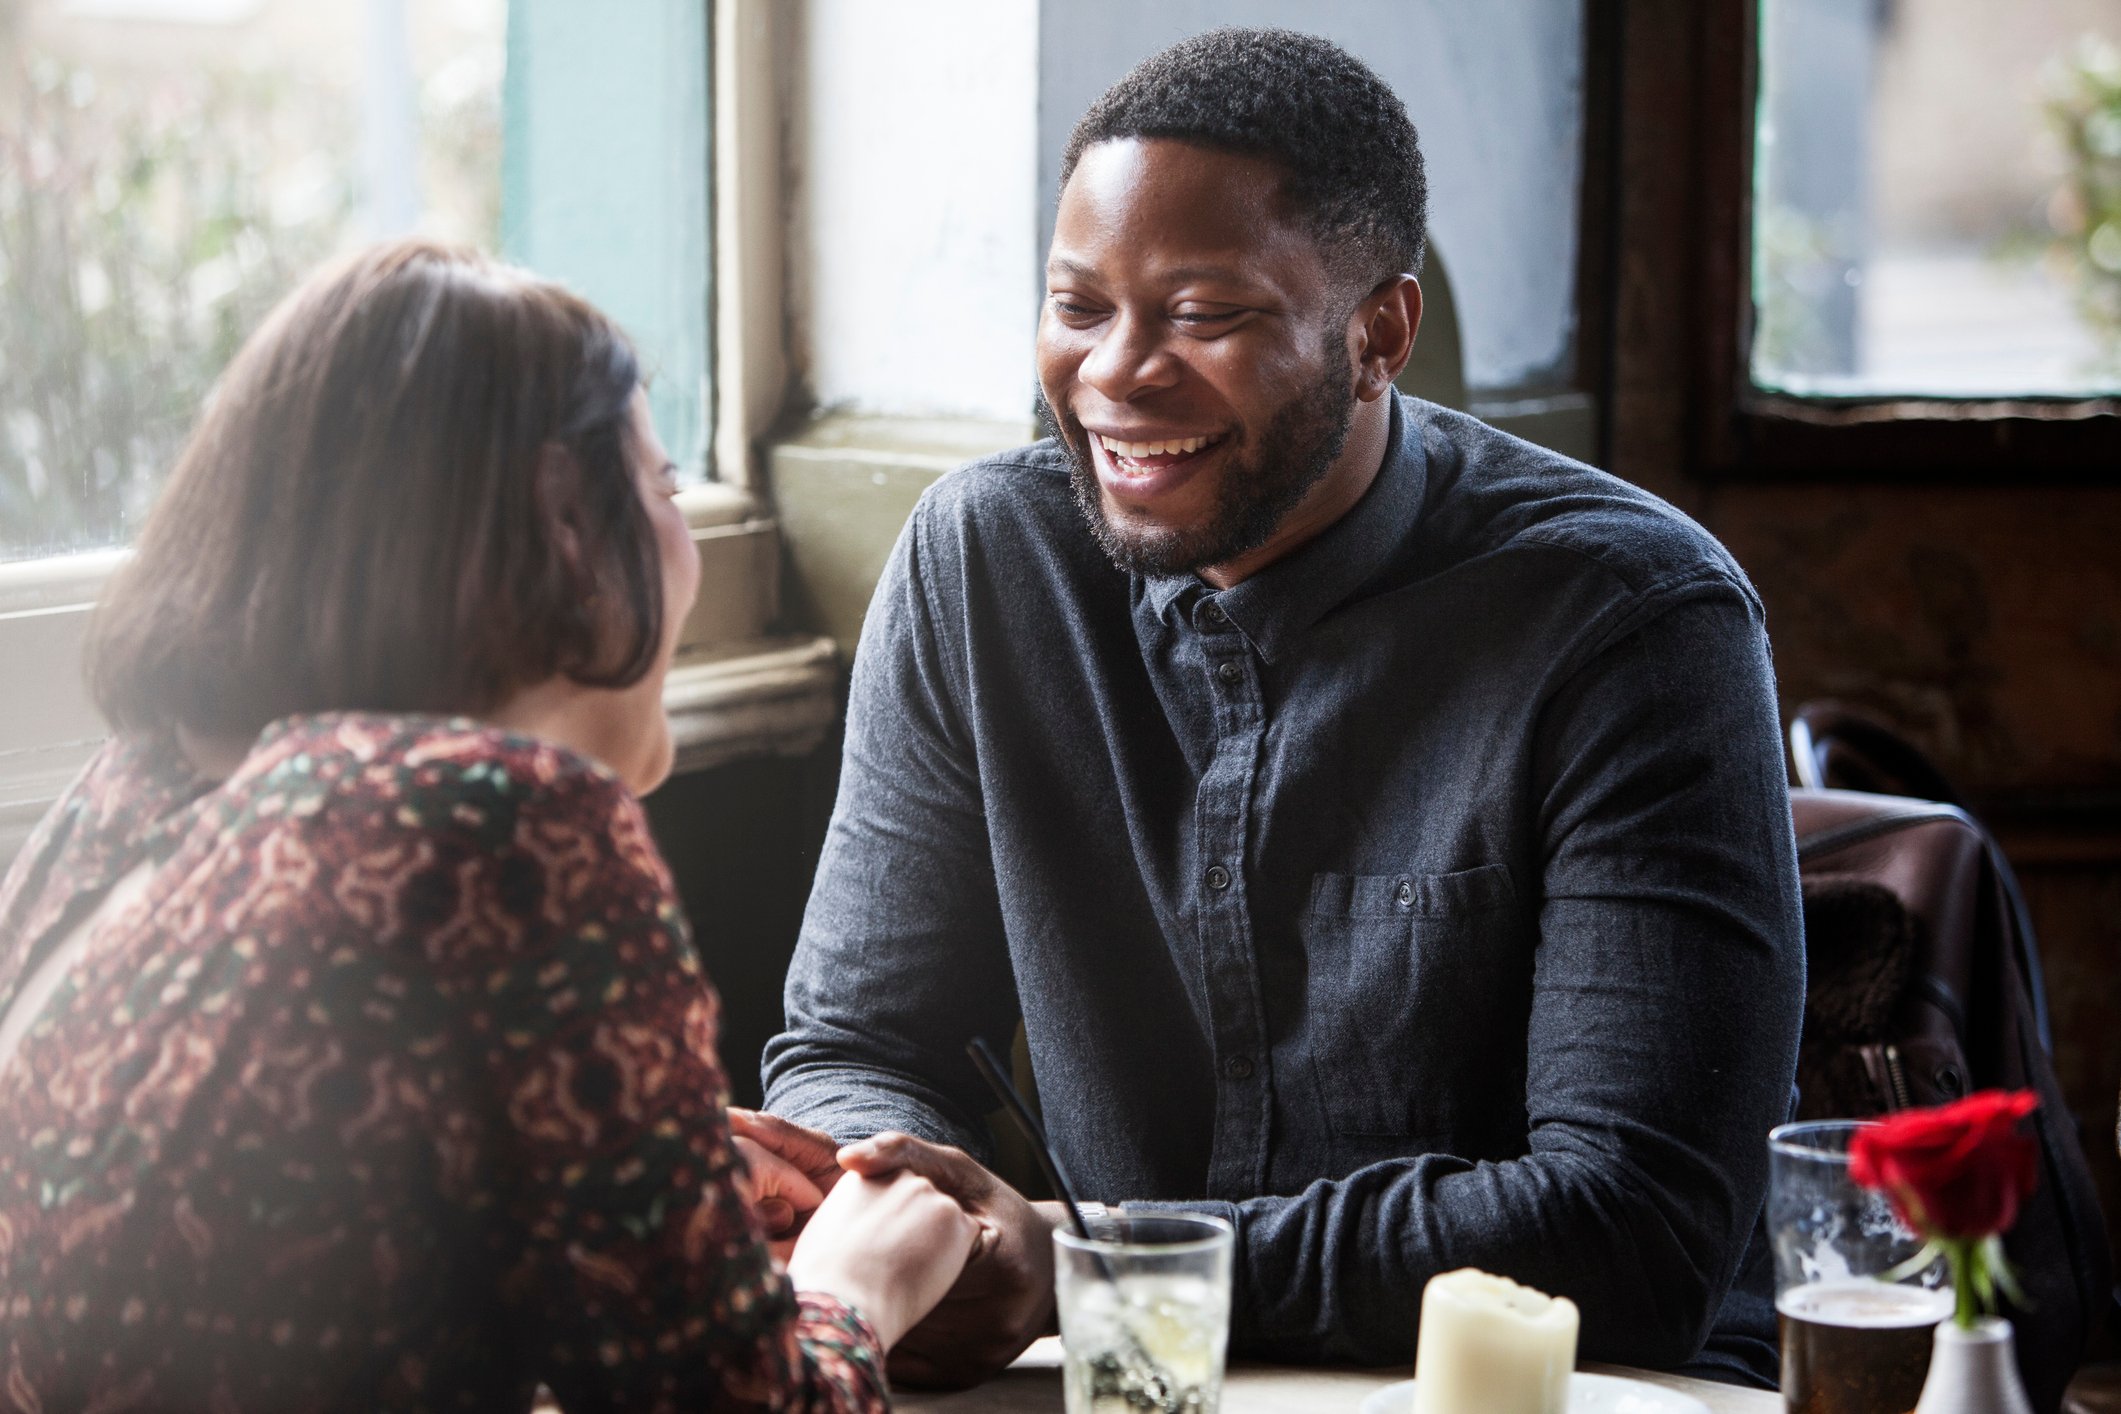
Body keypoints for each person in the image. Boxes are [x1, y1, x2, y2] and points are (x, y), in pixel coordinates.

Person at [740, 26, 1805, 1391]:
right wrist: (909, 1199)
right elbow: (852, 1045)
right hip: (1141, 1377)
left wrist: (1095, 1260)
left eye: (1205, 315)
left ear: (1378, 334)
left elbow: (1633, 1229)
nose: (1118, 371)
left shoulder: (1630, 616)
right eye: (1079, 305)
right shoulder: (981, 566)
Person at [0, 241, 978, 1412]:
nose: (686, 551)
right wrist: (856, 1285)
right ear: (570, 527)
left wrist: (639, 1152)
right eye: (664, 490)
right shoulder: (501, 824)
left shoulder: (134, 789)